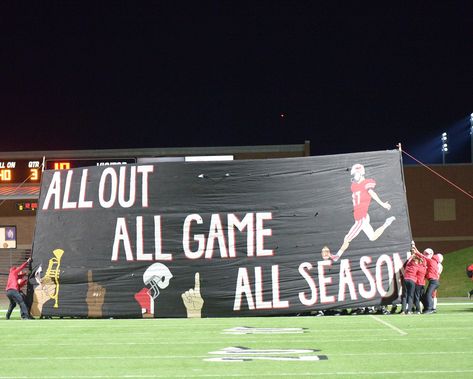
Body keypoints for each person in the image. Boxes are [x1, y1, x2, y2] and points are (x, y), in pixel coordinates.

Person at [331, 163, 395, 262]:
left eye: (355, 174)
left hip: (361, 218)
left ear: (361, 173)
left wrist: (382, 204)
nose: (354, 177)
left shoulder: (367, 183)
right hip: (361, 216)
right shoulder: (354, 185)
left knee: (347, 238)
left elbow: (372, 193)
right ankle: (387, 223)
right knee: (373, 237)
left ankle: (337, 256)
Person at [422, 248, 440, 314]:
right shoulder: (434, 262)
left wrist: (415, 249)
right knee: (428, 295)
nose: (426, 255)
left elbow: (422, 257)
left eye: (427, 254)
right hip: (434, 281)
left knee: (428, 295)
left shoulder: (431, 261)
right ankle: (429, 308)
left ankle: (430, 309)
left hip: (434, 281)